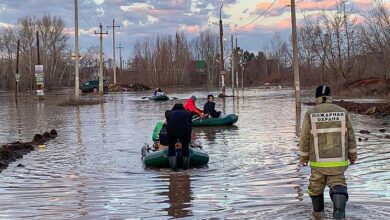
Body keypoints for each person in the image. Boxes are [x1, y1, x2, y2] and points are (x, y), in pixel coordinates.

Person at [300, 85, 357, 220]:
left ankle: (318, 215)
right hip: (338, 162)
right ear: (330, 97)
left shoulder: (310, 113)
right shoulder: (342, 112)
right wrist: (353, 156)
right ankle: (339, 215)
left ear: (317, 97)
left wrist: (303, 158)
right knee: (339, 185)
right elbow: (351, 136)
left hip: (318, 163)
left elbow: (304, 138)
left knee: (315, 188)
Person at [166, 103, 192, 170]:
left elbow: (168, 123)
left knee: (171, 148)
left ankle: (174, 168)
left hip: (172, 132)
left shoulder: (169, 113)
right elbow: (190, 124)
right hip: (185, 132)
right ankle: (185, 168)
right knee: (185, 147)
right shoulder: (188, 113)